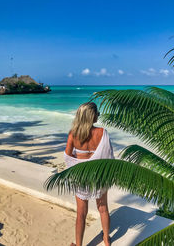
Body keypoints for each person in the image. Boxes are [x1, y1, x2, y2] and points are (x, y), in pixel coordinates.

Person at [65, 102, 114, 246]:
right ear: (91, 116)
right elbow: (108, 155)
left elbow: (67, 157)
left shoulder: (73, 134)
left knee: (81, 213)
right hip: (98, 175)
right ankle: (106, 239)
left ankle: (78, 244)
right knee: (103, 208)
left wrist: (79, 159)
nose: (98, 115)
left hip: (81, 177)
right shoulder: (102, 132)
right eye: (97, 113)